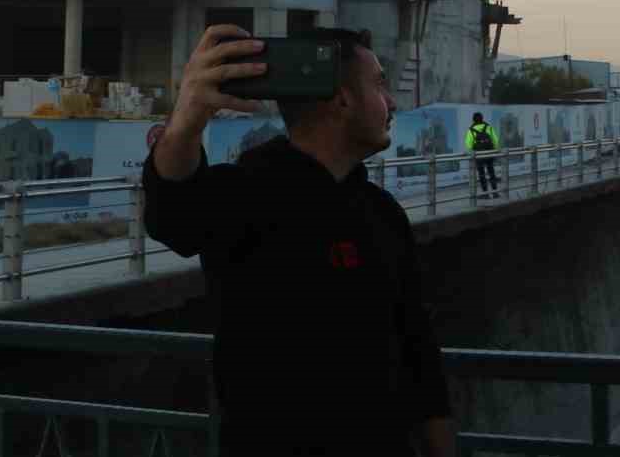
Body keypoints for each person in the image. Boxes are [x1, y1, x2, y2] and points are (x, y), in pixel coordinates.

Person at [142, 24, 456, 457]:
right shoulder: (248, 195)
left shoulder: (382, 213)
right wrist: (186, 119)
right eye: (380, 84)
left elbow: (418, 351)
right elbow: (173, 216)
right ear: (343, 99)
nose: (393, 102)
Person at [466, 111, 500, 199]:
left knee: (481, 174)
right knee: (491, 172)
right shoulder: (489, 127)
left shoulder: (471, 130)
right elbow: (495, 140)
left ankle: (486, 194)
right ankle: (495, 193)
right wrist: (494, 150)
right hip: (489, 153)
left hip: (479, 155)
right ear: (482, 118)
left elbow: (468, 145)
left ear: (473, 120)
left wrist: (473, 149)